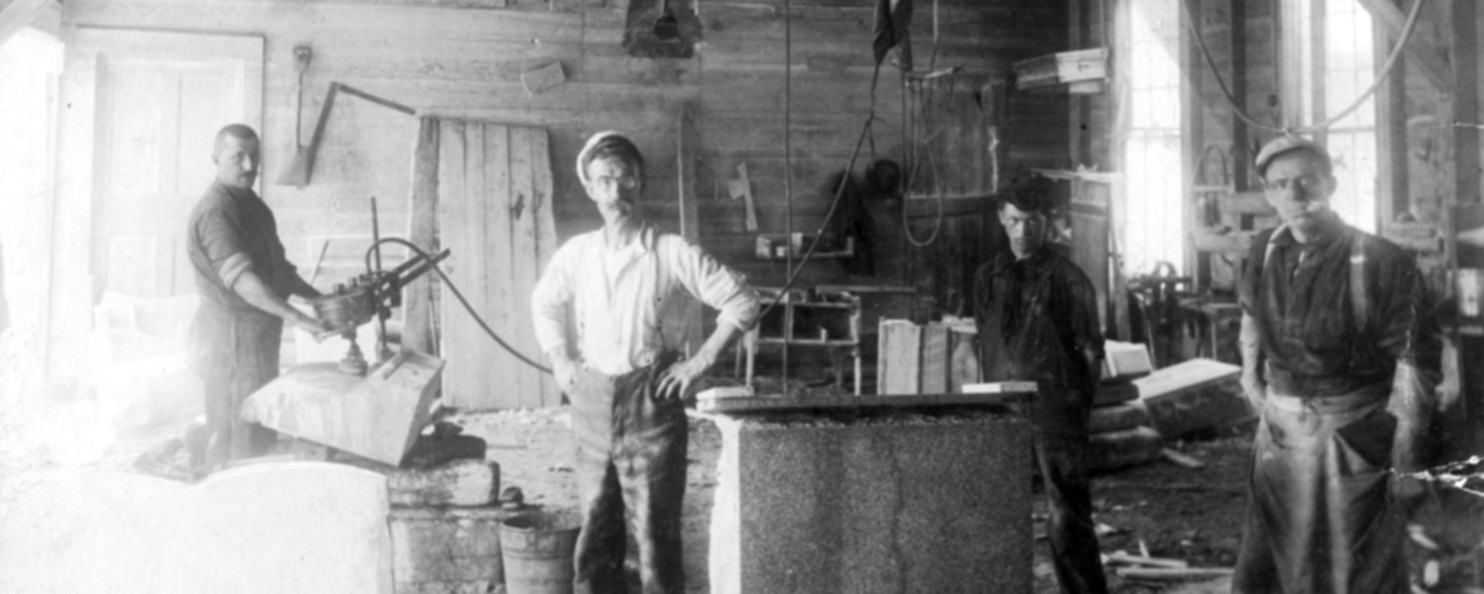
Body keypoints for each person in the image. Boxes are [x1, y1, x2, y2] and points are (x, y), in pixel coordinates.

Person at [530, 131, 760, 594]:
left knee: (655, 537)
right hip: (592, 401)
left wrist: (699, 364)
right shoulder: (578, 254)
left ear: (641, 183)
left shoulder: (670, 251)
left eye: (625, 180)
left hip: (653, 404)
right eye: (605, 182)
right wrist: (561, 359)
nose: (617, 193)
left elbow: (743, 301)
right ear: (591, 190)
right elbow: (545, 303)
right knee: (596, 533)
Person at [1232, 135, 1441, 594]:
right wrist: (1249, 376)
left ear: (1331, 183)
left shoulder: (1381, 261)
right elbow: (1250, 314)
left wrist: (1405, 457)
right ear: (1268, 194)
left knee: (1355, 570)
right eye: (1281, 184)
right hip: (1280, 439)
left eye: (1308, 180)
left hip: (1351, 442)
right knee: (1272, 566)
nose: (1296, 194)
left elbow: (1415, 367)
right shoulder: (1263, 250)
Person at [973, 182, 1108, 594]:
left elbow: (1090, 350)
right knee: (999, 508)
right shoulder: (987, 276)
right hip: (1002, 401)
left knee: (1067, 510)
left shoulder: (1069, 278)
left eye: (1032, 221)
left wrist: (1076, 405)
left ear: (1045, 221)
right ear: (1001, 218)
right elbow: (986, 340)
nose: (1022, 231)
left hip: (1055, 403)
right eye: (1014, 220)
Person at [186, 124, 326, 472]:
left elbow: (279, 271)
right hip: (228, 339)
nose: (250, 166)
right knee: (234, 435)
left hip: (257, 335)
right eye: (238, 157)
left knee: (257, 427)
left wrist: (322, 299)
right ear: (216, 159)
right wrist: (301, 319)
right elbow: (244, 282)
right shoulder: (216, 211)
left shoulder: (255, 208)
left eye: (255, 156)